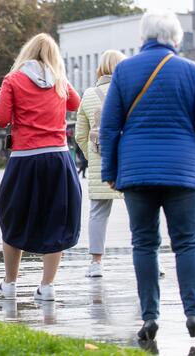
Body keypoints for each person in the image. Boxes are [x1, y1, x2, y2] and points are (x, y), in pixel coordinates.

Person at [100, 10, 195, 343]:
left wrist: (111, 171)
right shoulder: (191, 71)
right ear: (175, 39)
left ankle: (150, 316)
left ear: (144, 37)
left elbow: (109, 127)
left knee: (144, 244)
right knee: (187, 244)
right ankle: (194, 313)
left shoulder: (124, 70)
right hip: (181, 173)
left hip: (137, 173)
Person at [0, 33, 81, 302]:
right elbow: (75, 104)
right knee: (58, 218)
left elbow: (0, 119)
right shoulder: (60, 80)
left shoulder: (13, 79)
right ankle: (47, 286)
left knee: (12, 215)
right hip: (58, 158)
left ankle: (10, 283)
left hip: (25, 157)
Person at [74, 49, 127, 278]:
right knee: (140, 210)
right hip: (128, 162)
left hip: (100, 163)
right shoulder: (129, 92)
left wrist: (92, 156)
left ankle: (96, 263)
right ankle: (151, 257)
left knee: (97, 212)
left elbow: (79, 134)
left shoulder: (88, 94)